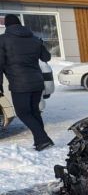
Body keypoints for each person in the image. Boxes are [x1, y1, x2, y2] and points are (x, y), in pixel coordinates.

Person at [0, 14, 54, 150]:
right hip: (37, 82)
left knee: (23, 113)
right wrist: (40, 44)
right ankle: (41, 142)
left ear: (6, 25)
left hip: (20, 85)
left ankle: (43, 139)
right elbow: (46, 57)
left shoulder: (2, 40)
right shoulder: (34, 38)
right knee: (34, 112)